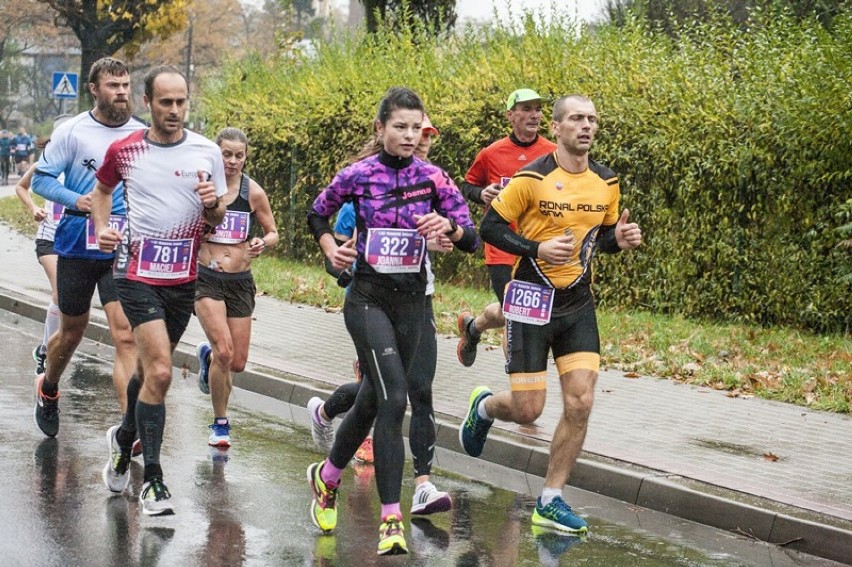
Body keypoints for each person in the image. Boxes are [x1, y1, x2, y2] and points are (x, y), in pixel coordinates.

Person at [459, 94, 642, 534]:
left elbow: (601, 239)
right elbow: (491, 227)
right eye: (577, 118)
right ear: (557, 128)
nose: (586, 126)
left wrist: (621, 238)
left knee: (581, 401)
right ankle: (483, 408)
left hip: (578, 303)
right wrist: (536, 247)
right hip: (530, 298)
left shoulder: (607, 182)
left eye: (592, 119)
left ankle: (551, 498)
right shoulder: (532, 178)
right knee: (528, 410)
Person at [305, 87, 477, 555]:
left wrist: (450, 229)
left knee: (370, 400)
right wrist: (330, 249)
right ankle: (390, 519)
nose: (408, 134)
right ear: (380, 129)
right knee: (394, 398)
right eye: (398, 126)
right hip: (366, 300)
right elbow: (316, 214)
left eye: (415, 127)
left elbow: (472, 239)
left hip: (412, 305)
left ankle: (328, 477)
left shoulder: (435, 179)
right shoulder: (358, 175)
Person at [95, 65, 226, 516]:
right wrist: (101, 229)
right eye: (165, 102)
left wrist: (212, 206)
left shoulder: (207, 152)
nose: (174, 110)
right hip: (134, 273)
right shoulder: (125, 150)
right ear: (147, 102)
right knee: (164, 373)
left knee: (151, 372)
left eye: (181, 101)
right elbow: (101, 190)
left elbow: (217, 219)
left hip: (182, 279)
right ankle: (152, 480)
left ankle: (122, 437)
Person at [31, 58, 146, 439]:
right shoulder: (73, 131)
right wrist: (78, 200)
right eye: (113, 86)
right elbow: (42, 182)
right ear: (94, 89)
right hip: (78, 242)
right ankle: (49, 386)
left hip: (121, 244)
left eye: (126, 85)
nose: (122, 92)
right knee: (72, 331)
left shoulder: (142, 135)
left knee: (126, 334)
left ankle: (129, 429)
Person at [455, 88, 556, 367]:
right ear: (510, 115)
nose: (534, 115)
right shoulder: (490, 153)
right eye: (526, 109)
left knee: (515, 309)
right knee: (517, 312)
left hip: (537, 248)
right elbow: (467, 185)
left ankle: (473, 328)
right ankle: (520, 379)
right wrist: (481, 193)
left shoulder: (553, 153)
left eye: (537, 109)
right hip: (501, 247)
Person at [194, 127, 279, 448]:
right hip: (206, 278)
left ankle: (207, 359)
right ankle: (220, 423)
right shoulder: (203, 188)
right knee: (225, 352)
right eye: (226, 154)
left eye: (238, 155)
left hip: (240, 281)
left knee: (237, 362)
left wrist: (262, 242)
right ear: (216, 154)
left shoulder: (252, 192)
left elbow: (273, 232)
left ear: (246, 156)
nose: (231, 161)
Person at [14, 115, 73, 376]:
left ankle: (43, 347)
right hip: (49, 238)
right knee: (60, 294)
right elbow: (21, 187)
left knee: (69, 302)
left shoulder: (85, 167)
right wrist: (34, 208)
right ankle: (47, 352)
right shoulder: (45, 163)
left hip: (73, 240)